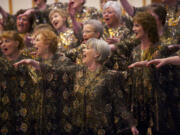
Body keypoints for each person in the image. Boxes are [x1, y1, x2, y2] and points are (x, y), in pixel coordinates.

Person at [14, 38, 139, 135]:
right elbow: (55, 70)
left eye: (87, 48)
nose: (83, 51)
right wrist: (33, 63)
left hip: (101, 129)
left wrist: (131, 124)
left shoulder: (110, 76)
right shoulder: (77, 71)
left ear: (97, 54)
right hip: (79, 128)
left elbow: (119, 102)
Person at [14, 28, 75, 135]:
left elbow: (65, 74)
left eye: (37, 40)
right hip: (37, 116)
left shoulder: (62, 60)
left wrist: (39, 66)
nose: (34, 43)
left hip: (58, 116)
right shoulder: (35, 61)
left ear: (48, 44)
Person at [128, 11, 179, 135]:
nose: (133, 29)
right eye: (133, 25)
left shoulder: (162, 48)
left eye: (137, 25)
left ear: (147, 27)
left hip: (160, 107)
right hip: (139, 107)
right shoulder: (134, 51)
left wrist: (166, 60)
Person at [0, 31, 38, 135]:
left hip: (27, 103)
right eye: (1, 42)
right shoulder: (1, 61)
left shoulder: (29, 56)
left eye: (7, 41)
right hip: (6, 105)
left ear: (16, 43)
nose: (3, 44)